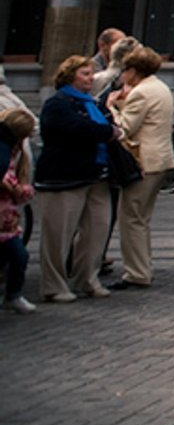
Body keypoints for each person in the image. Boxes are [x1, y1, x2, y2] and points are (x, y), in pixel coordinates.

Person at [33, 55, 117, 303]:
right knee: (59, 233)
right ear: (69, 76)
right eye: (84, 74)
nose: (90, 78)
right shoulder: (58, 103)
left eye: (91, 74)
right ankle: (54, 284)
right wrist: (108, 131)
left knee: (97, 229)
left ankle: (87, 279)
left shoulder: (95, 104)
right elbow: (75, 129)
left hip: (96, 174)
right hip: (64, 176)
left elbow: (106, 126)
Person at [104, 45, 174, 289]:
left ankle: (136, 273)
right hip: (161, 160)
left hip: (144, 161)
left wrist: (112, 106)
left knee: (131, 218)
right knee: (141, 218)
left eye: (125, 70)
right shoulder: (160, 87)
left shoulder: (140, 93)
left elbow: (124, 128)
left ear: (133, 71)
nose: (123, 75)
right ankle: (143, 267)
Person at [2, 108, 37, 312]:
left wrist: (18, 189)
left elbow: (20, 187)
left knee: (19, 255)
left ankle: (13, 295)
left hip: (7, 218)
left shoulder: (17, 155)